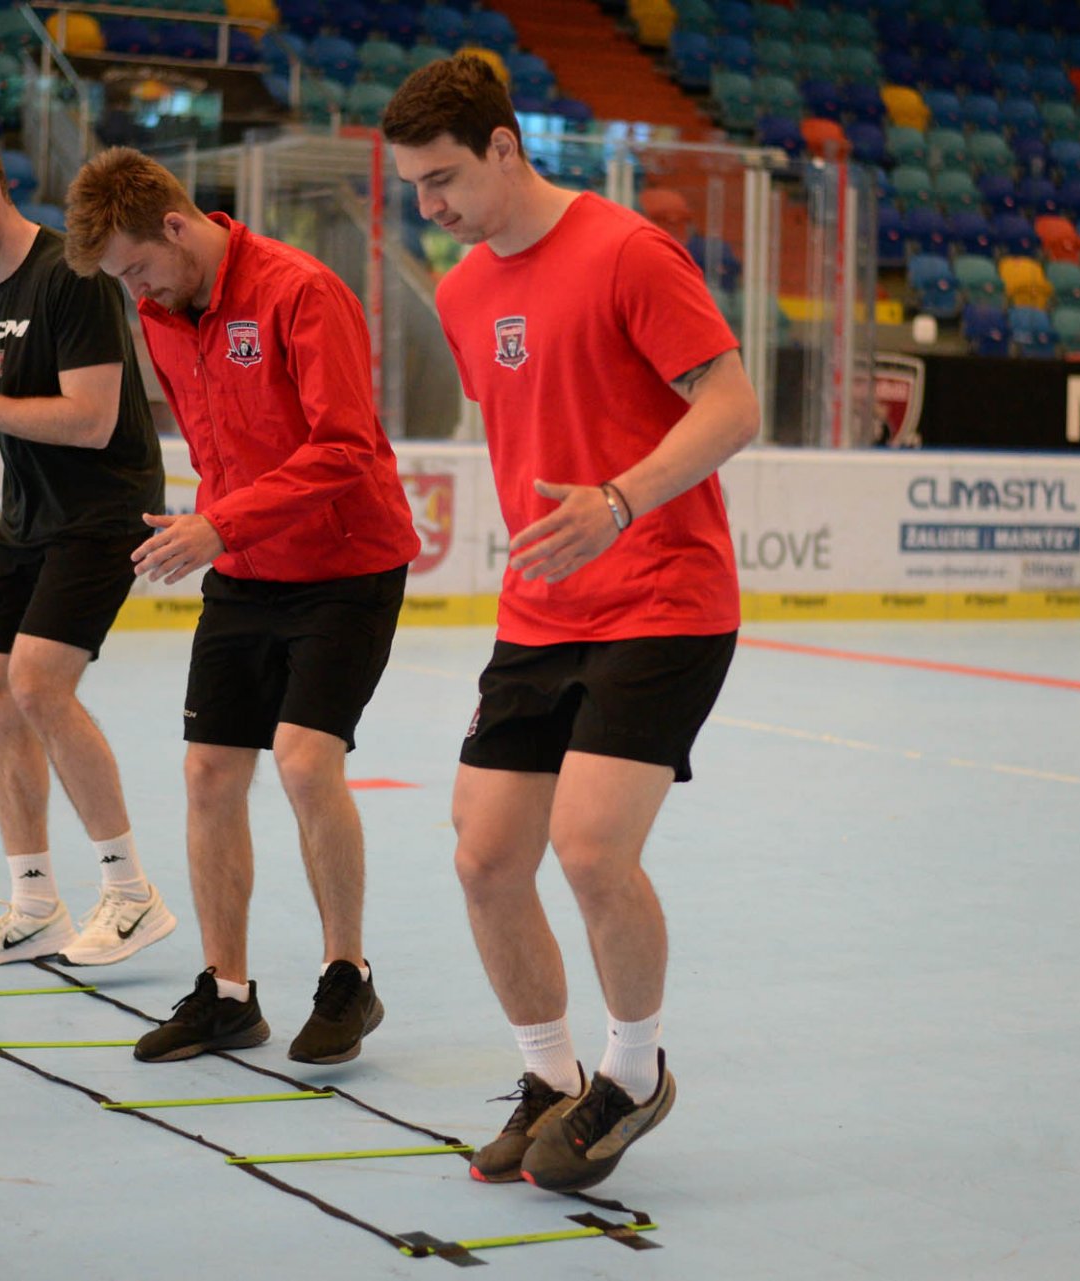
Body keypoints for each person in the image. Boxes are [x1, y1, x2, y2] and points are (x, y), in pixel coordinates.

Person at [381, 56, 760, 1191]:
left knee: (591, 847)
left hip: (666, 593)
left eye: (444, 179)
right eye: (414, 187)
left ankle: (633, 1075)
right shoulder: (460, 294)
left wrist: (619, 501)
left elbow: (734, 403)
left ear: (505, 146)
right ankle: (549, 1077)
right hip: (542, 611)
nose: (430, 207)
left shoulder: (628, 251)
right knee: (487, 856)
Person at [63, 147, 420, 1065]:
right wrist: (217, 525)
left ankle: (347, 976)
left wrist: (220, 522)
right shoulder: (160, 311)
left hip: (346, 566)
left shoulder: (302, 292)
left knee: (303, 761)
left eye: (138, 268)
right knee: (210, 774)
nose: (136, 290)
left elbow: (345, 445)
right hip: (245, 566)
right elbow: (215, 438)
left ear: (175, 226)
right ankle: (227, 993)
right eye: (122, 279)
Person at [0, 126, 176, 969]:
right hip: (27, 513)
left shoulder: (73, 274)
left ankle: (131, 894)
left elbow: (92, 420)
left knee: (38, 682)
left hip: (103, 508)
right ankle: (34, 905)